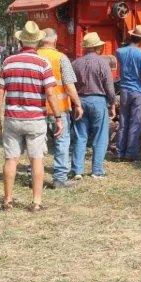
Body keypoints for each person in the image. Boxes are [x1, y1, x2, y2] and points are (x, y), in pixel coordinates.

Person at [0, 21, 64, 212]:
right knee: (36, 160)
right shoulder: (43, 63)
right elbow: (50, 93)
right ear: (38, 42)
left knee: (11, 159)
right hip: (35, 119)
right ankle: (36, 202)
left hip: (12, 118)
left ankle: (7, 200)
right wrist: (58, 117)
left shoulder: (8, 62)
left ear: (21, 41)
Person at [37, 28, 83, 188]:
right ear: (55, 40)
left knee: (36, 142)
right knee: (62, 142)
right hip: (59, 108)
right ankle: (60, 179)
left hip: (38, 108)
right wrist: (78, 104)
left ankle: (33, 175)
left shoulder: (34, 56)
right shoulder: (61, 58)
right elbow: (69, 86)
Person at [72, 32, 116, 179]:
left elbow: (70, 85)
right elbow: (109, 86)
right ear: (98, 47)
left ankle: (77, 170)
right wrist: (112, 103)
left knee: (80, 135)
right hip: (98, 100)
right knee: (100, 136)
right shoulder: (103, 63)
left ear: (85, 48)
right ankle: (97, 171)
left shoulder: (75, 63)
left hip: (80, 101)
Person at [115, 25, 141, 162]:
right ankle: (131, 154)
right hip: (138, 90)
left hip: (124, 90)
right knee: (135, 122)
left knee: (123, 121)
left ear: (132, 36)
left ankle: (119, 152)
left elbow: (121, 51)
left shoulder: (120, 52)